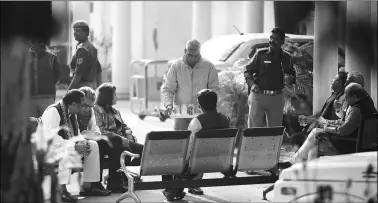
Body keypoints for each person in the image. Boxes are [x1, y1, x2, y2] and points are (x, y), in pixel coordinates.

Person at [160, 39, 219, 196]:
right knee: (180, 147)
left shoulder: (208, 66)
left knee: (200, 149)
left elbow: (215, 89)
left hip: (202, 115)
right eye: (190, 54)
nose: (193, 58)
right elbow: (168, 89)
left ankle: (195, 184)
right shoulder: (176, 66)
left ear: (200, 53)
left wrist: (209, 106)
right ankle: (177, 182)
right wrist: (168, 105)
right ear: (185, 52)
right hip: (181, 115)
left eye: (196, 55)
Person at [280, 82, 377, 169]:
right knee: (314, 147)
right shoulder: (367, 104)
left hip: (350, 144)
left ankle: (294, 163)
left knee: (316, 133)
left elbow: (342, 131)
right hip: (359, 142)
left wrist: (326, 128)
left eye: (347, 97)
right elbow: (346, 123)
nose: (346, 100)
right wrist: (328, 123)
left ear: (355, 97)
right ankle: (305, 170)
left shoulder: (356, 110)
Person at [162, 89, 230, 201]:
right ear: (215, 103)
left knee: (173, 157)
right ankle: (176, 189)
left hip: (197, 165)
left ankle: (171, 190)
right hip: (221, 162)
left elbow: (189, 148)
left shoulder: (197, 121)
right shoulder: (225, 120)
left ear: (199, 105)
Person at [40, 89, 103, 202]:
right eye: (81, 105)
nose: (82, 109)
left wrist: (82, 142)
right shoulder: (53, 111)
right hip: (47, 150)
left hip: (62, 146)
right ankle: (61, 190)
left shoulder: (71, 114)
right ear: (73, 104)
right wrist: (73, 146)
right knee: (68, 149)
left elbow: (77, 135)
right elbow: (50, 137)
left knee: (92, 145)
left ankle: (88, 186)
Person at [93, 83, 144, 193]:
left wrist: (129, 133)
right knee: (122, 147)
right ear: (107, 96)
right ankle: (115, 182)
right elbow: (100, 130)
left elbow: (125, 126)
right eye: (115, 95)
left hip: (122, 141)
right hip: (108, 142)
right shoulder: (96, 109)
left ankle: (126, 177)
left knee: (143, 150)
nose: (118, 97)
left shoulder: (116, 112)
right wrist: (120, 138)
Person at [244, 27, 296, 128]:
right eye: (271, 38)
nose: (272, 41)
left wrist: (290, 79)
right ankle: (253, 144)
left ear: (282, 41)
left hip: (277, 98)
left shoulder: (287, 58)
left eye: (275, 39)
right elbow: (248, 71)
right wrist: (252, 84)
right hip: (258, 96)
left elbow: (292, 75)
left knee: (275, 131)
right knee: (254, 131)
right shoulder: (260, 54)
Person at [289, 69, 348, 151]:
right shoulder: (334, 95)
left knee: (296, 138)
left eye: (334, 79)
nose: (331, 80)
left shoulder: (341, 98)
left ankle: (300, 160)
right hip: (322, 126)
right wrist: (308, 119)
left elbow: (335, 119)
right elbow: (322, 115)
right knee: (295, 137)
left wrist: (313, 121)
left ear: (340, 82)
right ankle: (299, 159)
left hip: (327, 131)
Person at [76, 86, 111, 196]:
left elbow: (94, 127)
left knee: (102, 142)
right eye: (85, 105)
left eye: (90, 106)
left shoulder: (90, 111)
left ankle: (94, 183)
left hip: (86, 140)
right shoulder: (72, 109)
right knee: (98, 144)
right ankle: (92, 184)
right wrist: (85, 134)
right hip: (75, 143)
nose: (86, 109)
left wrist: (96, 133)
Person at [29, 38, 60, 118]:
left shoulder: (52, 58)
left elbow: (56, 77)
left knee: (47, 125)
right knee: (32, 127)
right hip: (30, 98)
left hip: (47, 97)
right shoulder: (25, 58)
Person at [68, 20, 102, 90]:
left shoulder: (83, 49)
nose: (74, 33)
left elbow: (78, 73)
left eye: (77, 31)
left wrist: (69, 91)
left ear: (86, 33)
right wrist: (99, 88)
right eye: (74, 31)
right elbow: (99, 69)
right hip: (92, 86)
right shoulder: (92, 47)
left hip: (82, 87)